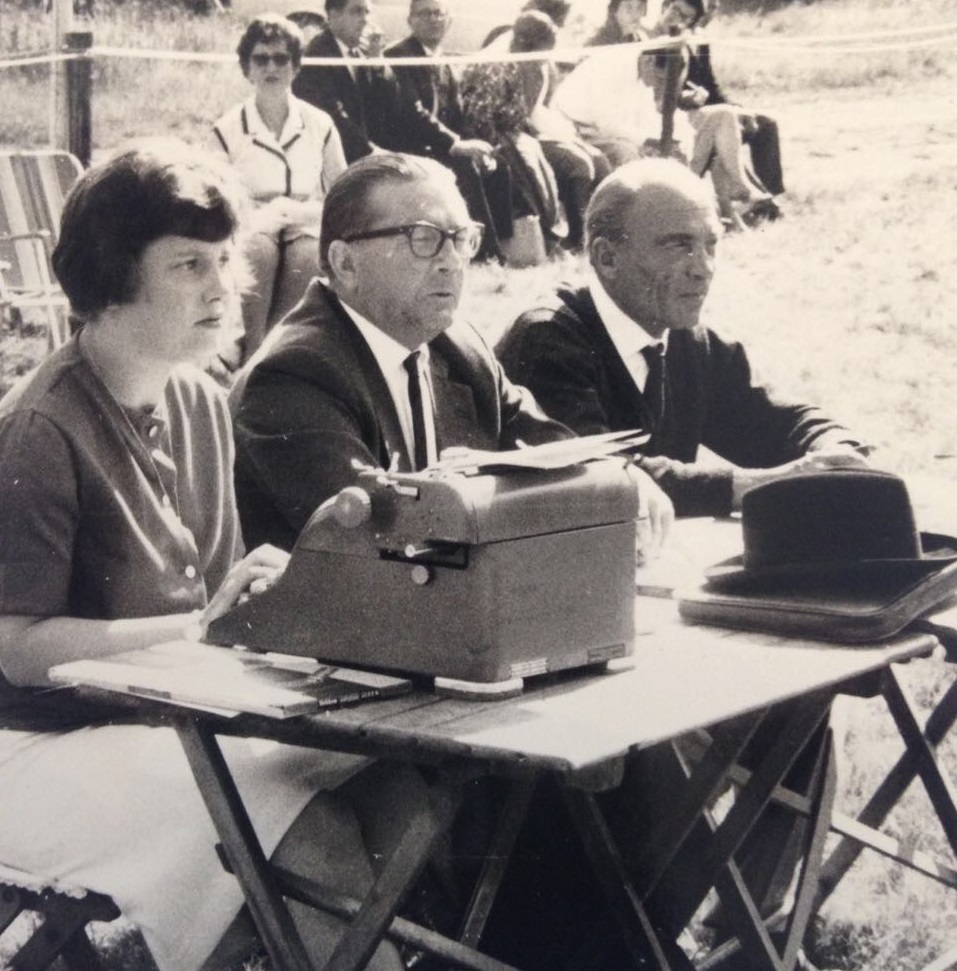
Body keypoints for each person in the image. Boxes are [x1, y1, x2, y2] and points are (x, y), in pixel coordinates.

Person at [0, 138, 425, 971]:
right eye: (189, 264)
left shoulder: (198, 399)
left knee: (406, 788)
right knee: (300, 824)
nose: (224, 285)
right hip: (36, 748)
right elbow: (15, 648)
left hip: (169, 718)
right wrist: (195, 630)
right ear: (113, 281)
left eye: (226, 259)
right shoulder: (39, 428)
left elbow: (218, 606)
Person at [229, 152, 674, 552]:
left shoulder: (458, 345)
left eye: (460, 239)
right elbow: (381, 533)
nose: (450, 261)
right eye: (423, 238)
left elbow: (549, 447)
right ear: (345, 262)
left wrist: (618, 478)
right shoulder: (294, 373)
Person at [496, 158, 869, 519]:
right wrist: (773, 482)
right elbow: (601, 478)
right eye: (679, 245)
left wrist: (837, 453)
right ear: (607, 258)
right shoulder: (547, 340)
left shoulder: (686, 342)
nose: (703, 268)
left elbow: (775, 422)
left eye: (711, 244)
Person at [212, 14, 347, 366]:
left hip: (307, 218)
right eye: (261, 58)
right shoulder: (227, 129)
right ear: (247, 68)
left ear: (296, 66)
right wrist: (262, 216)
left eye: (281, 58)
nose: (271, 67)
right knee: (258, 250)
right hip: (251, 221)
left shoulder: (319, 124)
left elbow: (342, 194)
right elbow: (215, 200)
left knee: (306, 253)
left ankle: (264, 353)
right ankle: (257, 345)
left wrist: (300, 211)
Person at [383, 0, 512, 259]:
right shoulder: (399, 55)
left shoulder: (443, 59)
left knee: (499, 167)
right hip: (410, 145)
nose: (433, 19)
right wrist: (456, 145)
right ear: (410, 21)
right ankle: (485, 254)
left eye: (438, 13)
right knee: (464, 168)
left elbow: (457, 115)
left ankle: (506, 246)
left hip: (437, 144)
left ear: (449, 21)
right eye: (424, 14)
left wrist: (473, 145)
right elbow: (412, 112)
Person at [646, 0, 779, 226]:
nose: (676, 17)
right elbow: (654, 92)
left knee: (738, 119)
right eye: (674, 10)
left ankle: (755, 199)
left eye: (685, 16)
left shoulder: (688, 41)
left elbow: (707, 86)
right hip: (652, 118)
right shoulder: (649, 38)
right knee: (723, 124)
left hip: (686, 112)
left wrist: (691, 96)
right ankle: (741, 197)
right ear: (664, 6)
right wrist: (684, 99)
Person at [509, 11, 612, 252]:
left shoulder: (542, 68)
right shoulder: (512, 66)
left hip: (541, 131)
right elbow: (518, 119)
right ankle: (577, 238)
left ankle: (603, 231)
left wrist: (563, 133)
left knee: (599, 159)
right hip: (521, 138)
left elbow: (539, 109)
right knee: (577, 164)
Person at [291, 0, 399, 163]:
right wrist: (372, 153)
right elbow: (333, 116)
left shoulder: (362, 52)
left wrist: (378, 63)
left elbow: (391, 104)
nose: (365, 19)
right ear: (334, 16)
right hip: (333, 160)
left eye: (366, 12)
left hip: (363, 156)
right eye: (356, 11)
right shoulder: (317, 55)